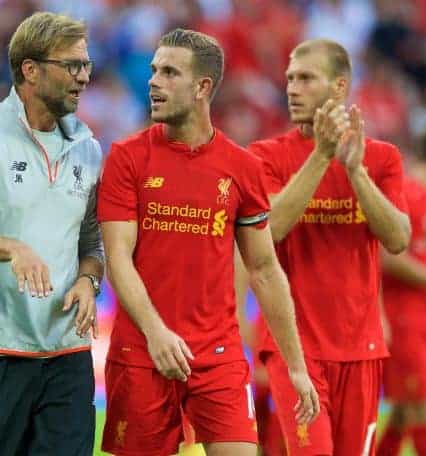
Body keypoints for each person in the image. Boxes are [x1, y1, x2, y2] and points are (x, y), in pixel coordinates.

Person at [98, 28, 319, 456]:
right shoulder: (127, 157)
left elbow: (264, 268)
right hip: (142, 351)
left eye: (169, 72)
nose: (153, 81)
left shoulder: (241, 167)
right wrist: (157, 332)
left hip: (217, 354)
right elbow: (118, 258)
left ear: (202, 87)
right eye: (153, 71)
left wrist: (296, 365)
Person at [0, 12, 103, 455]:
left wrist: (90, 281)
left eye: (86, 65)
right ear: (30, 70)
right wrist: (13, 248)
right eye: (72, 65)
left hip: (66, 355)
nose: (84, 77)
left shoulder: (87, 147)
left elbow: (92, 241)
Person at [248, 39, 411, 455]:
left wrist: (355, 172)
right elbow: (271, 228)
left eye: (305, 78)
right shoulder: (264, 157)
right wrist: (321, 156)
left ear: (339, 88)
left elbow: (397, 238)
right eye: (289, 78)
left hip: (361, 348)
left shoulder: (382, 158)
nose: (292, 88)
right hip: (294, 349)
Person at [376, 127, 426, 456]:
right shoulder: (405, 194)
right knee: (420, 408)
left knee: (402, 414)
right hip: (405, 319)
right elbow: (384, 257)